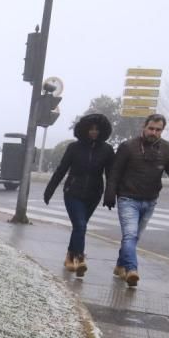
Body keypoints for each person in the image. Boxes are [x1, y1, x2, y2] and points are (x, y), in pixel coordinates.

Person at [103, 113, 169, 287]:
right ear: (144, 126)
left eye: (158, 130)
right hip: (128, 198)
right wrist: (110, 193)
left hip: (150, 200)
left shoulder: (166, 148)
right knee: (130, 235)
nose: (154, 132)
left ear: (162, 131)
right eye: (151, 128)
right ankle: (132, 270)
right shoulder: (128, 146)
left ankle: (120, 265)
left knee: (134, 237)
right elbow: (115, 172)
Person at [43, 113, 114, 277]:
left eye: (97, 129)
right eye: (91, 129)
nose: (94, 132)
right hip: (73, 192)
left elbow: (111, 174)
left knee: (79, 227)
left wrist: (110, 195)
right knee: (81, 225)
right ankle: (80, 258)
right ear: (84, 130)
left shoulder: (107, 150)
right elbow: (62, 169)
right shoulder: (74, 148)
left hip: (94, 194)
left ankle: (69, 256)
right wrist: (50, 189)